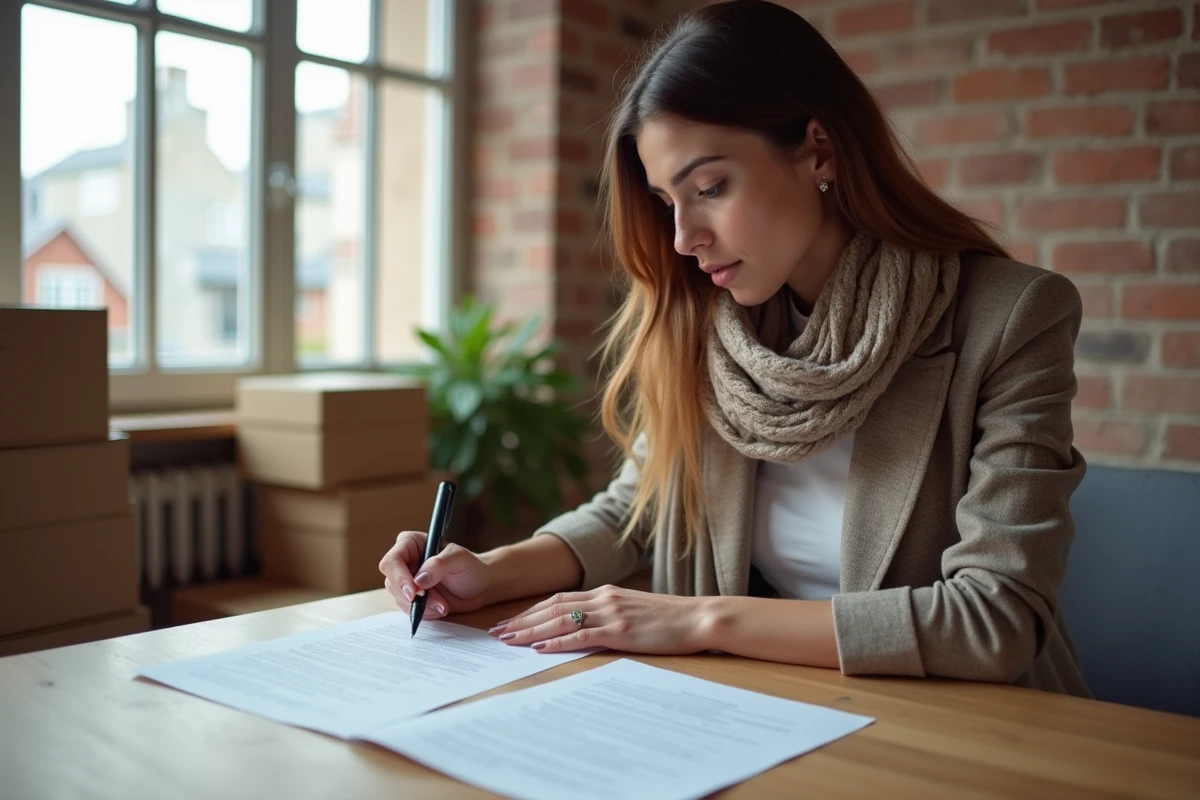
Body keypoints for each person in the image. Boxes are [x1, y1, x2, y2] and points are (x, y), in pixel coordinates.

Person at [379, 0, 1090, 696]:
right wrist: (489, 571)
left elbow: (995, 618)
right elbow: (637, 510)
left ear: (819, 149)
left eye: (710, 187)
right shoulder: (709, 326)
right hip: (773, 706)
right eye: (667, 203)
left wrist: (699, 620)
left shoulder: (1011, 317)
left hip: (967, 724)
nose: (685, 237)